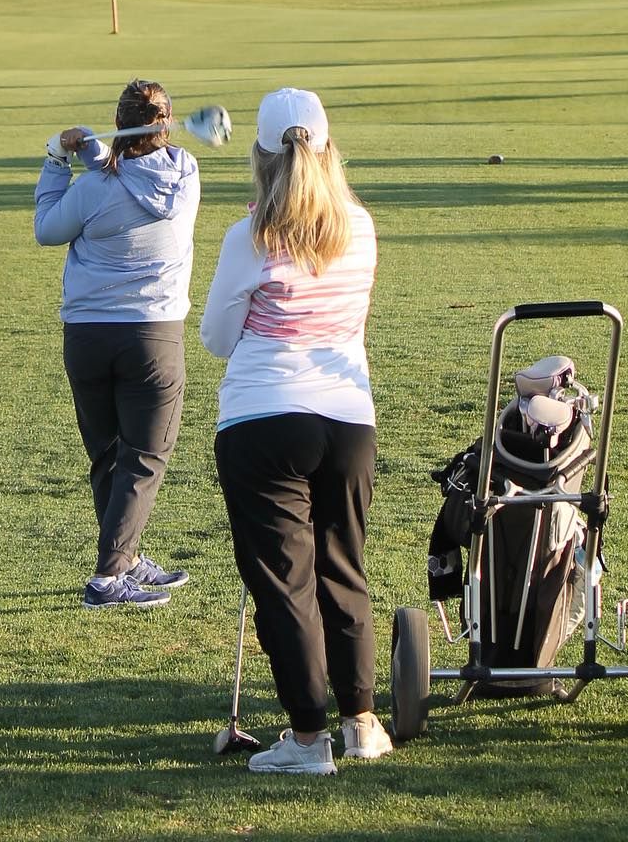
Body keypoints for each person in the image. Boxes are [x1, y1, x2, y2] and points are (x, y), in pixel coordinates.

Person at [200, 88, 391, 775]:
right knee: (343, 567)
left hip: (263, 418)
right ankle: (361, 722)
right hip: (347, 421)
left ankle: (308, 740)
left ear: (260, 154)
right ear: (329, 148)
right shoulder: (361, 227)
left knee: (286, 581)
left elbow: (218, 339)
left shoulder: (248, 235)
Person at [34, 80, 201, 609]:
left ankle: (123, 560)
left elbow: (47, 227)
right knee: (145, 457)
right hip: (153, 337)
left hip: (86, 337)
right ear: (165, 125)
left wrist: (58, 158)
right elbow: (136, 177)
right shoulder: (186, 175)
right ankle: (110, 578)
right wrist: (91, 155)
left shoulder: (90, 190)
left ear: (120, 123)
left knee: (109, 455)